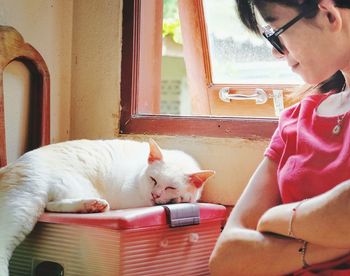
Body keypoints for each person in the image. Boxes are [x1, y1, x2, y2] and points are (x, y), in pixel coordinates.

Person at [209, 0, 350, 275]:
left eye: (275, 32)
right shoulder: (296, 121)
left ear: (328, 15)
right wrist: (327, 244)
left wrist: (275, 220)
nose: (276, 53)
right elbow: (226, 258)